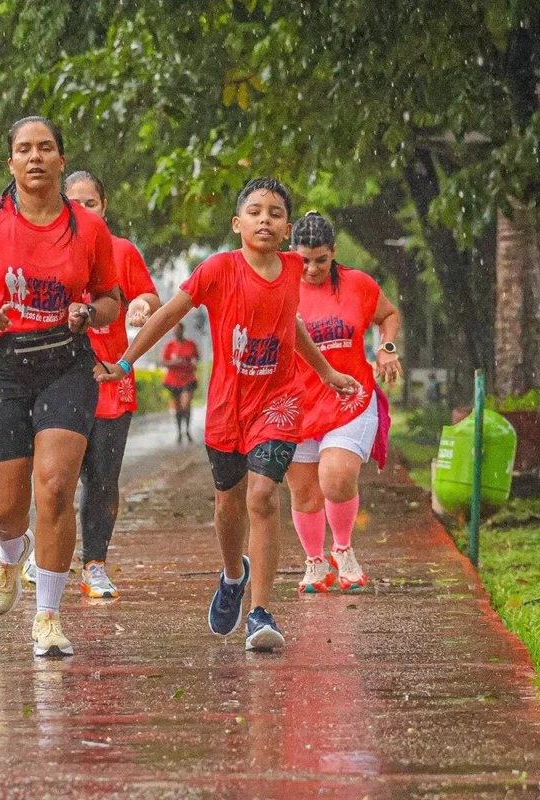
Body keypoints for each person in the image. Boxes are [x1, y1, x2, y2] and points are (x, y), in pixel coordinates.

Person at [97, 178, 361, 651]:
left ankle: (260, 613)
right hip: (226, 408)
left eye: (276, 213)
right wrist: (124, 361)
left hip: (279, 402)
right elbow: (167, 316)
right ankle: (232, 574)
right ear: (238, 223)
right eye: (255, 211)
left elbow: (291, 324)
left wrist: (323, 372)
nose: (265, 219)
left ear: (287, 230)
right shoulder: (217, 270)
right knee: (228, 504)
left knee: (262, 496)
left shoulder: (292, 271)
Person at [0, 117, 121, 658]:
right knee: (4, 511)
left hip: (66, 363)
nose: (35, 157)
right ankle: (10, 551)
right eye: (24, 149)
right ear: (10, 163)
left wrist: (89, 311)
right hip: (3, 366)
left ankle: (47, 617)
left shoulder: (88, 229)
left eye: (46, 148)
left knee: (57, 487)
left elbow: (110, 297)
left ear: (62, 161)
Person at [22, 171, 161, 599]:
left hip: (110, 380)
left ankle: (94, 565)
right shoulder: (44, 249)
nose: (83, 211)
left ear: (105, 208)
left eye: (92, 204)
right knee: (56, 478)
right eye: (75, 202)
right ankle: (41, 555)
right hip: (59, 378)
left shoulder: (122, 251)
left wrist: (140, 304)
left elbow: (151, 298)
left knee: (102, 480)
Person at [286, 212, 402, 593]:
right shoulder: (280, 288)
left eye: (321, 259)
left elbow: (387, 315)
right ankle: (315, 562)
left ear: (334, 252)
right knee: (304, 493)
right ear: (291, 253)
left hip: (350, 396)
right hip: (296, 403)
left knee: (335, 477)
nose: (313, 268)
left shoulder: (358, 284)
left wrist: (385, 349)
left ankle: (343, 549)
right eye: (304, 260)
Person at [162, 323, 200, 443]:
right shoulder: (170, 345)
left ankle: (187, 430)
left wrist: (192, 362)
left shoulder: (190, 344)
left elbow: (196, 357)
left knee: (186, 405)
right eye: (175, 330)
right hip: (173, 380)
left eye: (178, 330)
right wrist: (174, 362)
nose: (176, 332)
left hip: (188, 379)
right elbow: (164, 361)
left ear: (182, 331)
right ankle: (179, 432)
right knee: (177, 407)